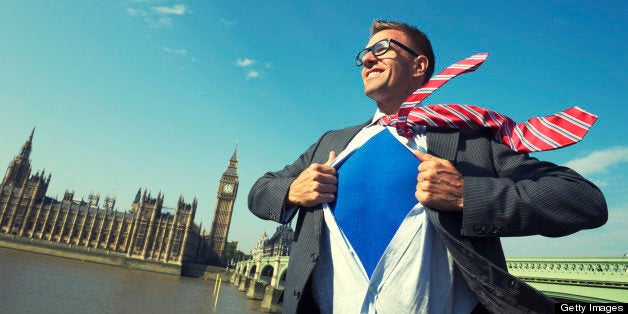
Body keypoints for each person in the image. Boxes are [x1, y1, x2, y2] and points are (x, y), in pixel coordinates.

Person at [248, 20, 607, 313]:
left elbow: (584, 201)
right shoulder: (331, 143)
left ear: (419, 65)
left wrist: (469, 194)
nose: (368, 60)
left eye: (381, 49)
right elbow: (259, 192)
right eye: (364, 55)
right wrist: (292, 192)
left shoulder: (470, 142)